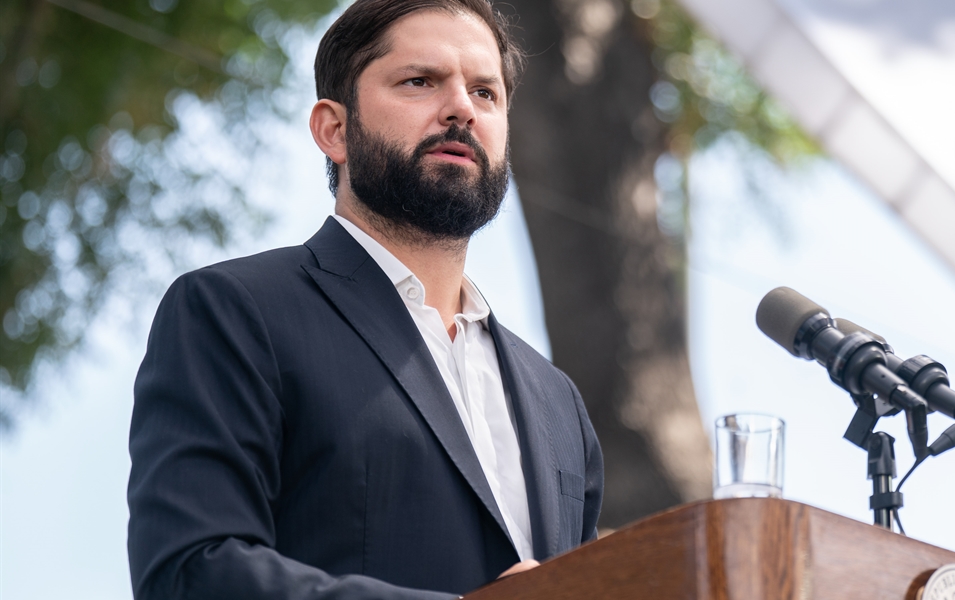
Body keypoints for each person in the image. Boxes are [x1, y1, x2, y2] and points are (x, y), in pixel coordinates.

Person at [126, 0, 604, 598]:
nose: (461, 107)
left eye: (486, 93)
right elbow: (191, 571)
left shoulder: (559, 403)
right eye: (420, 81)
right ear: (335, 128)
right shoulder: (234, 312)